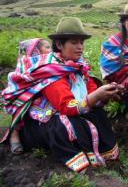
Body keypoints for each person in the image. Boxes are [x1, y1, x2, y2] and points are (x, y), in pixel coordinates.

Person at [2, 17, 121, 172]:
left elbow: (91, 94)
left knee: (97, 114)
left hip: (71, 111)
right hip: (49, 119)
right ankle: (79, 161)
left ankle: (104, 155)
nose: (80, 47)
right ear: (59, 45)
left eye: (81, 42)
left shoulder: (79, 67)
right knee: (65, 125)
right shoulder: (51, 73)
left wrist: (106, 94)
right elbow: (66, 106)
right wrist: (96, 96)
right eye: (74, 42)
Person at [9, 38, 51, 154]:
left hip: (44, 98)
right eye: (47, 47)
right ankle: (14, 133)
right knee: (20, 101)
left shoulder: (51, 63)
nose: (50, 50)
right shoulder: (24, 66)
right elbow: (18, 83)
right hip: (28, 99)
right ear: (35, 51)